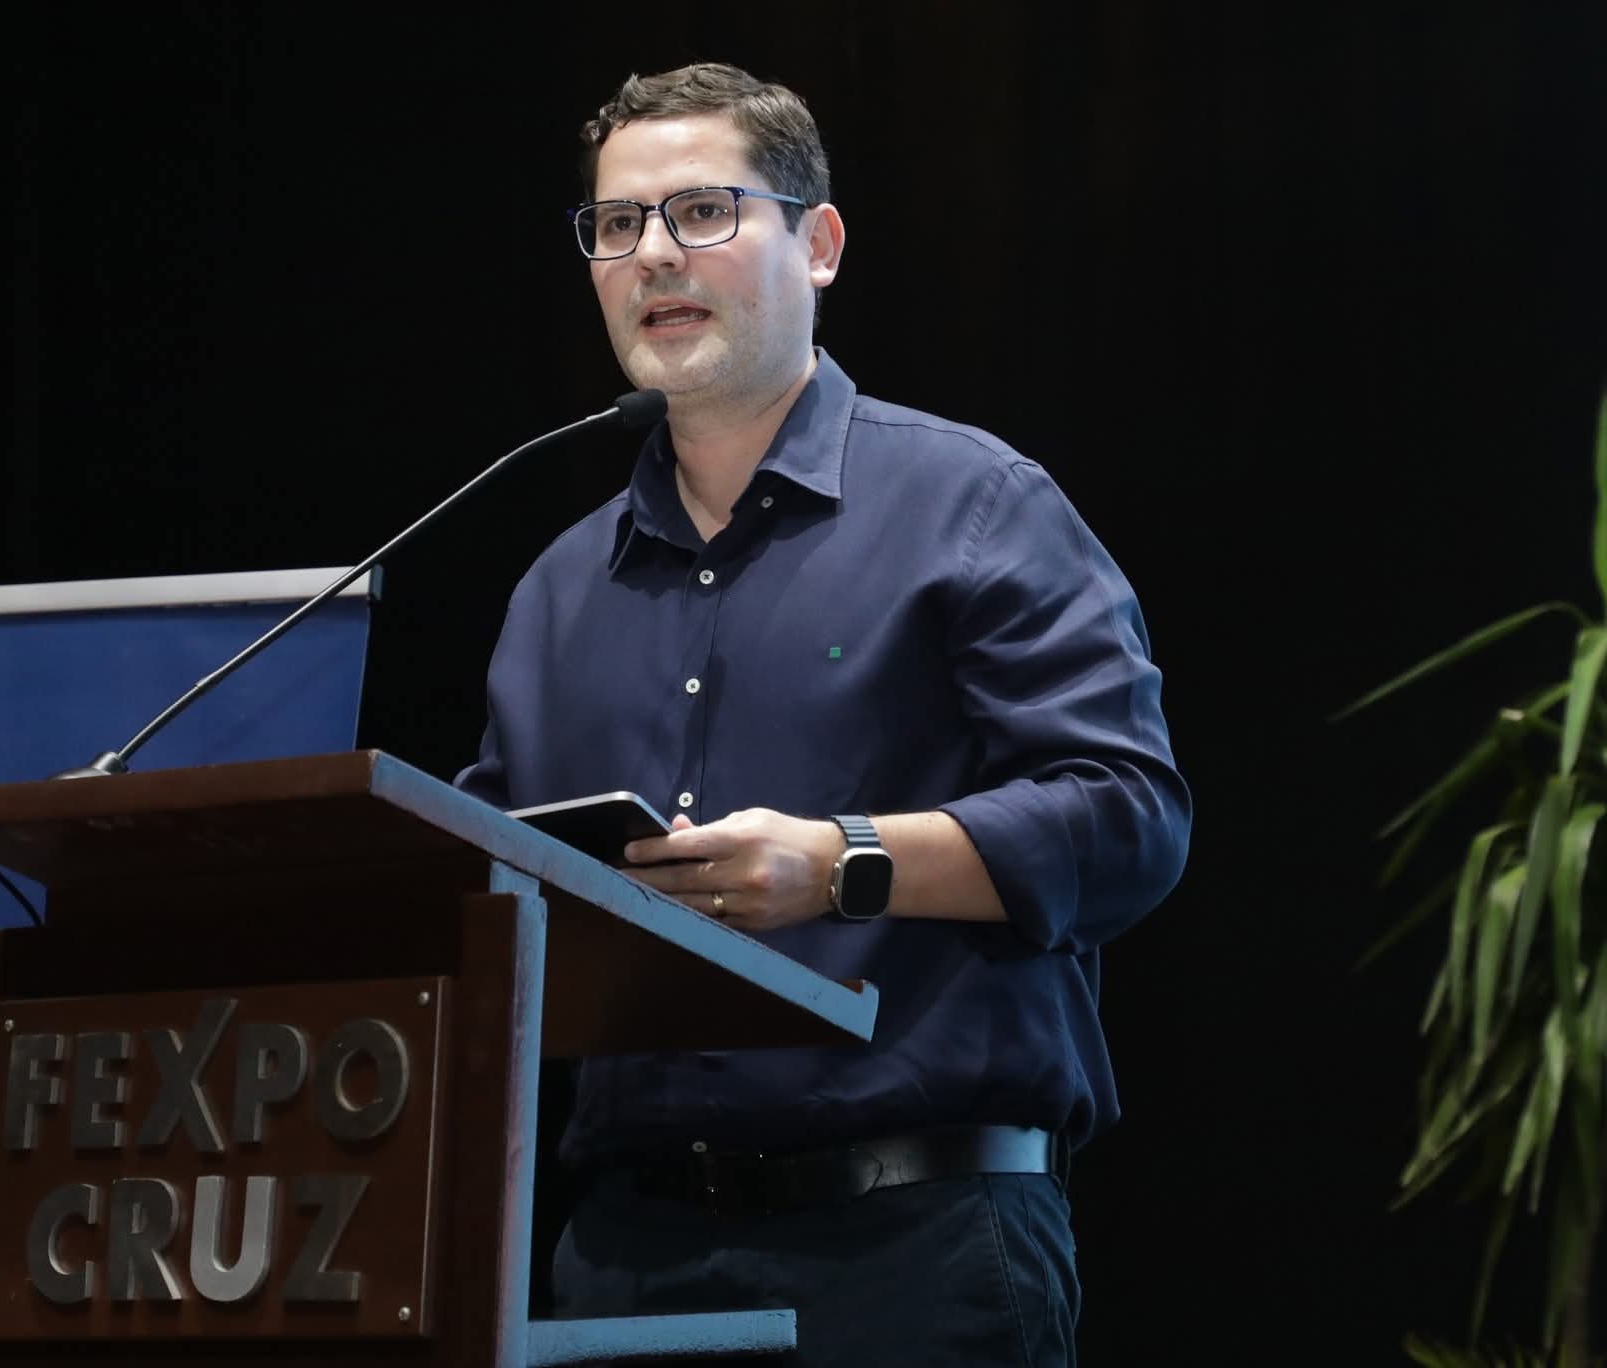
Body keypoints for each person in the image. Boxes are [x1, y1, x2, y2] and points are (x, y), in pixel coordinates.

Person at [454, 61, 1190, 1366]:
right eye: (617, 226)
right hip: (621, 1262)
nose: (653, 257)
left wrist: (841, 863)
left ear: (821, 242)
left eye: (702, 212)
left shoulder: (976, 506)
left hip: (914, 1249)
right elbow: (493, 890)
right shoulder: (557, 590)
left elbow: (1127, 821)